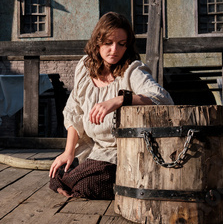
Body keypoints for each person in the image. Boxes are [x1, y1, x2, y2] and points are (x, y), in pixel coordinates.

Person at [49, 12, 174, 199]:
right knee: (57, 173)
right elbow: (74, 111)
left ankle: (81, 183)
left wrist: (120, 100)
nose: (114, 50)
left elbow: (163, 99)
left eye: (121, 44)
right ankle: (74, 182)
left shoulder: (133, 70)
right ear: (97, 42)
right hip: (94, 149)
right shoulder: (85, 67)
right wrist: (68, 152)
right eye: (108, 43)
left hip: (123, 153)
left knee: (91, 183)